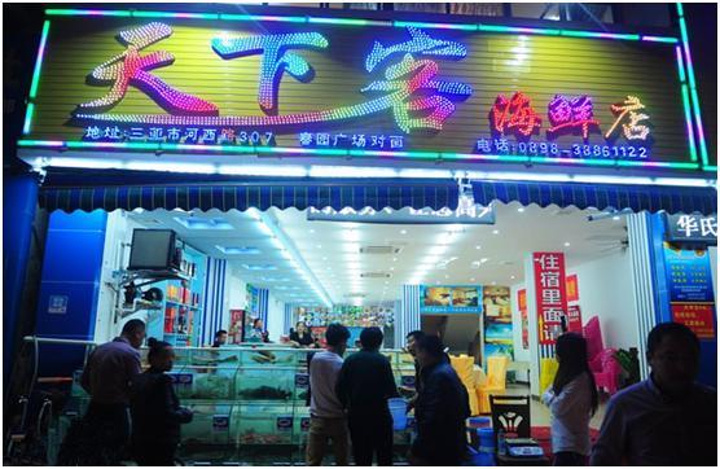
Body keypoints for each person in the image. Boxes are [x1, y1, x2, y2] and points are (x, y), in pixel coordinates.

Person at [590, 322, 717, 466]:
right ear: (650, 358)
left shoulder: (711, 401)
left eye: (689, 358)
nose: (682, 367)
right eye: (670, 358)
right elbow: (602, 460)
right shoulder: (624, 405)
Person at [80, 319, 146, 463]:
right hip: (117, 411)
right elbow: (138, 385)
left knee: (93, 451)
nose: (142, 342)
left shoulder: (99, 349)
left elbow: (83, 381)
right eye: (143, 337)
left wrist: (98, 393)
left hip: (94, 408)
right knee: (116, 451)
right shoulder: (130, 353)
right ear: (137, 334)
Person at [336, 327, 399, 466]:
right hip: (380, 415)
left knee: (362, 456)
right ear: (380, 342)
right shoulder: (382, 361)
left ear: (361, 341)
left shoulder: (350, 360)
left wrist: (346, 406)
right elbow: (391, 390)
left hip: (356, 415)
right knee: (384, 456)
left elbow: (340, 388)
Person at [409, 335, 470, 466]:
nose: (417, 357)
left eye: (417, 352)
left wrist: (418, 447)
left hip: (440, 445)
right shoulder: (445, 369)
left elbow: (432, 417)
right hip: (452, 440)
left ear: (425, 352)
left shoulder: (438, 376)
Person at [131, 338, 193, 466]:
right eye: (166, 357)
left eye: (172, 357)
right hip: (162, 440)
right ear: (154, 359)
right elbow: (167, 413)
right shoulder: (163, 381)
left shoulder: (139, 379)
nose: (171, 361)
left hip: (141, 438)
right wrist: (187, 413)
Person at [541, 333, 598, 466]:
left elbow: (557, 407)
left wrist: (549, 397)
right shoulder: (569, 376)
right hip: (563, 444)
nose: (556, 356)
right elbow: (547, 393)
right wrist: (550, 396)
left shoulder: (580, 380)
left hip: (572, 447)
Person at [306, 324, 351, 466]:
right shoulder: (342, 364)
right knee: (342, 461)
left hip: (317, 417)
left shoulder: (314, 359)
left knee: (313, 461)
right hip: (338, 418)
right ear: (342, 342)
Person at [401, 330, 426, 407]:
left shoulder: (426, 363)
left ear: (420, 342)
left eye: (410, 342)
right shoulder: (418, 361)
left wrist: (409, 404)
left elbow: (425, 392)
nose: (408, 346)